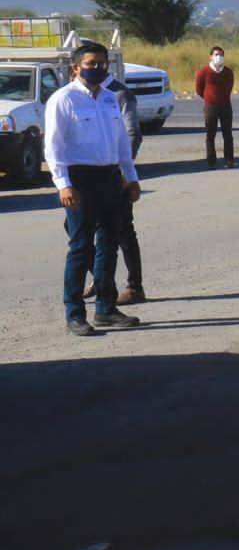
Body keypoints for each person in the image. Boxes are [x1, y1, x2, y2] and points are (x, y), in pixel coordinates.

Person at [44, 42, 142, 335]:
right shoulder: (63, 99)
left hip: (110, 178)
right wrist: (63, 184)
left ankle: (106, 308)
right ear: (76, 67)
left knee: (109, 244)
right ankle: (75, 313)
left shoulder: (111, 99)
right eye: (91, 63)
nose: (98, 68)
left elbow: (121, 143)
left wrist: (131, 177)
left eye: (102, 63)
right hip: (80, 179)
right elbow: (53, 146)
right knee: (81, 247)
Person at [83, 72, 146, 305]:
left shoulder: (120, 94)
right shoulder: (83, 93)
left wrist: (123, 171)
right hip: (89, 176)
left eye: (96, 63)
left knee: (123, 231)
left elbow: (132, 133)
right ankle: (101, 279)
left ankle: (134, 286)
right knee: (77, 227)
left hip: (115, 176)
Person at [195, 45, 236, 168]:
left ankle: (229, 160)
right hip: (210, 106)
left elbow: (229, 87)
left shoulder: (228, 72)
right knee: (210, 134)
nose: (219, 57)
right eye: (216, 54)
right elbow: (199, 89)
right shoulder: (203, 72)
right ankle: (211, 160)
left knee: (227, 134)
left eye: (221, 55)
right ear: (211, 57)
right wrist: (208, 98)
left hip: (226, 106)